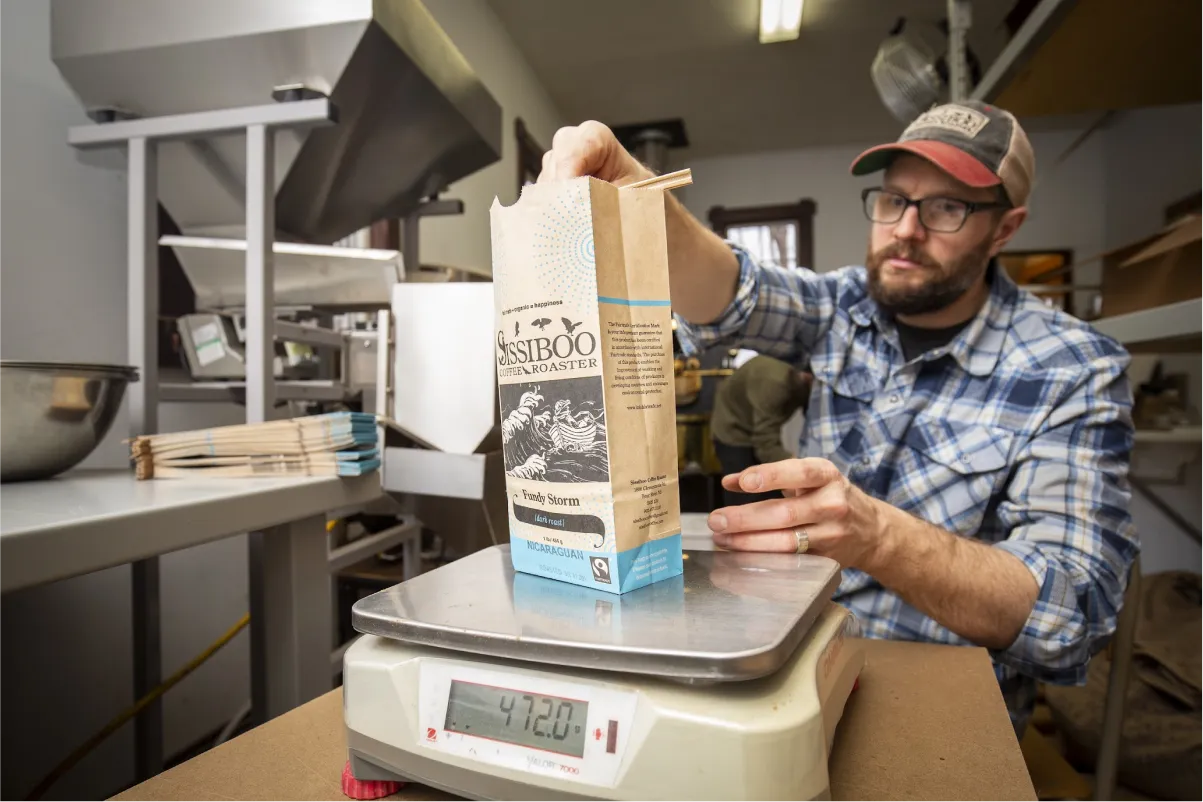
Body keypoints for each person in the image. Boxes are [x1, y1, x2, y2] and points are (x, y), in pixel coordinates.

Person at [537, 100, 1140, 735]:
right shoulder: (844, 306)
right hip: (802, 651)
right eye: (893, 200)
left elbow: (1072, 616)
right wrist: (636, 192)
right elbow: (733, 292)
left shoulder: (1072, 367)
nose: (905, 229)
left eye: (945, 208)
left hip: (940, 693)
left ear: (1004, 228)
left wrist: (877, 536)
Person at [711, 355, 811, 506]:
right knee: (745, 498)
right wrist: (795, 466)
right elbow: (764, 442)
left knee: (773, 494)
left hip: (754, 426)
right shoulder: (775, 382)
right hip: (733, 430)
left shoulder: (805, 379)